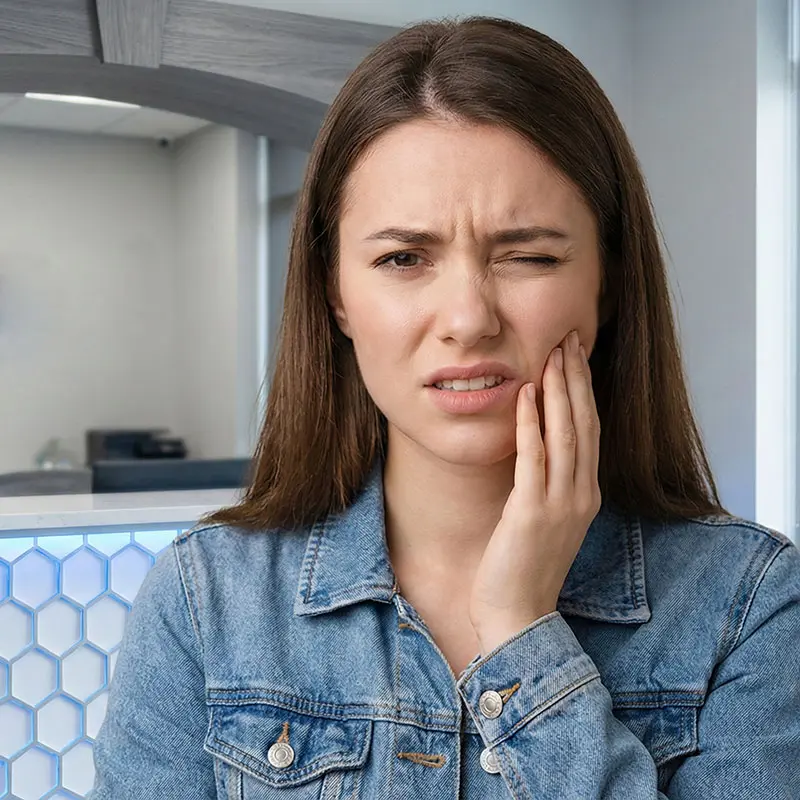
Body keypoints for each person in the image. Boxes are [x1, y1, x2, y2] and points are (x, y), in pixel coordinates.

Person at [87, 16, 800, 799]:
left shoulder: (750, 605)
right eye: (403, 258)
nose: (467, 318)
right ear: (335, 293)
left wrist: (522, 628)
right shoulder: (205, 602)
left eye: (527, 256)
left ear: (608, 281)